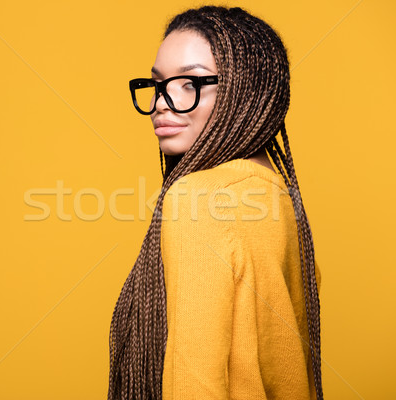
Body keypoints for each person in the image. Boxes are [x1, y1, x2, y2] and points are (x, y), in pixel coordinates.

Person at [108, 5, 323, 400]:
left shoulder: (198, 199)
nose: (160, 102)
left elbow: (195, 383)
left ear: (246, 92)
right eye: (159, 83)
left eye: (190, 83)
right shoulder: (278, 196)